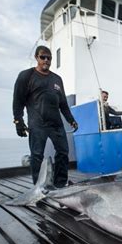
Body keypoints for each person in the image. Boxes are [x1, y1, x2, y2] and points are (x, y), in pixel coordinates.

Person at [13, 45, 78, 188]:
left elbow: (63, 104)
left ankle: (60, 184)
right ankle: (39, 187)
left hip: (56, 124)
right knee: (36, 155)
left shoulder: (57, 79)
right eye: (43, 57)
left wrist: (71, 120)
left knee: (63, 152)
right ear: (36, 57)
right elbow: (18, 101)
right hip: (37, 124)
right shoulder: (26, 76)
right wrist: (18, 121)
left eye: (49, 58)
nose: (46, 60)